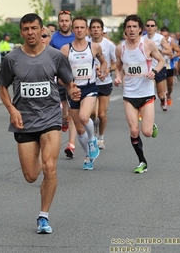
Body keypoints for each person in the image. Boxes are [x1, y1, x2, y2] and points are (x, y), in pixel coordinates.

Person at [0, 13, 81, 234]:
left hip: (50, 117)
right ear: (21, 32)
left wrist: (73, 90)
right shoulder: (12, 59)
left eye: (34, 28)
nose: (30, 33)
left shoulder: (54, 56)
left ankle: (43, 216)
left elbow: (68, 81)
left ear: (42, 30)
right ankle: (42, 207)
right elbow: (3, 87)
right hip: (24, 121)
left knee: (50, 167)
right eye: (25, 29)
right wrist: (12, 109)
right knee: (31, 175)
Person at [114, 14, 163, 174]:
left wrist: (154, 71)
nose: (132, 29)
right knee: (134, 130)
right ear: (125, 30)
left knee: (147, 132)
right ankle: (142, 161)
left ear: (140, 29)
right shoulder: (120, 48)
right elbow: (119, 67)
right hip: (129, 94)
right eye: (128, 27)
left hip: (146, 93)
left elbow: (162, 60)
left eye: (135, 26)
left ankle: (151, 125)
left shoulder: (147, 44)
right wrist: (118, 78)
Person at [60, 16, 107, 170]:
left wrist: (102, 72)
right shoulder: (66, 49)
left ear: (86, 29)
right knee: (79, 129)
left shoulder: (94, 47)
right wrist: (68, 85)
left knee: (83, 117)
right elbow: (59, 74)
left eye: (82, 27)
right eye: (76, 27)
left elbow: (104, 62)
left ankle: (92, 139)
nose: (79, 30)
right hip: (73, 90)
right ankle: (89, 156)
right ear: (72, 30)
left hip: (90, 88)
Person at [49, 9, 78, 159]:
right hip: (58, 80)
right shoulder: (53, 38)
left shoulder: (77, 36)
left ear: (71, 21)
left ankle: (71, 144)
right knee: (64, 112)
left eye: (67, 20)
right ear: (58, 22)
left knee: (73, 111)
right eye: (62, 21)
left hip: (75, 79)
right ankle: (64, 118)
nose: (64, 23)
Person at [88, 18, 116, 150]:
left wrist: (107, 70)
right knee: (92, 113)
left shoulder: (109, 45)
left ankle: (101, 137)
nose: (95, 30)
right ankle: (93, 128)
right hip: (90, 82)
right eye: (93, 27)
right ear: (90, 30)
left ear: (102, 29)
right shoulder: (85, 44)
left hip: (105, 82)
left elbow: (116, 63)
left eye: (98, 27)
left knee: (102, 114)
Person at [144, 19, 172, 111]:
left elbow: (169, 51)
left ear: (156, 27)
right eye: (148, 25)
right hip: (147, 69)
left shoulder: (160, 38)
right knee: (149, 91)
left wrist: (159, 51)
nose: (150, 27)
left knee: (160, 94)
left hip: (159, 68)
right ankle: (144, 109)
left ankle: (163, 100)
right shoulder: (142, 38)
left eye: (152, 26)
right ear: (145, 27)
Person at [159, 26, 180, 106]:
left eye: (166, 36)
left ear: (168, 36)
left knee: (170, 85)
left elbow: (179, 52)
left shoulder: (171, 43)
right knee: (162, 85)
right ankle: (163, 99)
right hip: (160, 67)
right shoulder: (156, 42)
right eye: (162, 36)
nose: (164, 38)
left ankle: (168, 95)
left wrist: (174, 56)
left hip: (169, 66)